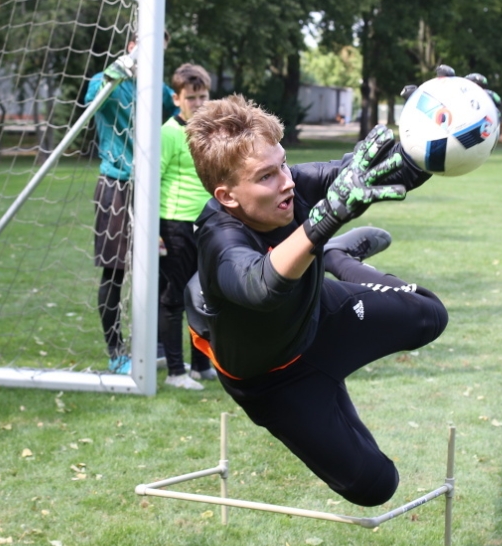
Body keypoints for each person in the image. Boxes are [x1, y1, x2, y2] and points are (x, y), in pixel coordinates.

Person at [183, 95, 447, 507]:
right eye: (266, 176)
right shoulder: (219, 240)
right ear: (228, 195)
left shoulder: (290, 186)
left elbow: (392, 170)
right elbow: (262, 284)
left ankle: (339, 259)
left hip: (318, 312)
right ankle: (334, 254)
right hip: (272, 380)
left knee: (431, 315)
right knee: (375, 485)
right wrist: (323, 221)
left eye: (284, 163)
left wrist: (437, 123)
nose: (286, 181)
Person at [84, 38, 176, 375]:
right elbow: (91, 102)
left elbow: (179, 118)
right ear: (133, 43)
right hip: (116, 187)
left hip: (154, 188)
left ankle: (153, 344)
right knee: (115, 272)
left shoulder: (161, 91)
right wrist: (116, 73)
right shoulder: (105, 80)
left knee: (160, 269)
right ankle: (115, 352)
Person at [158, 63, 215, 391]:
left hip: (207, 224)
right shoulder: (168, 133)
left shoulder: (209, 132)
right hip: (175, 224)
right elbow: (152, 180)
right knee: (174, 299)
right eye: (191, 97)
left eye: (203, 96)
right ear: (177, 98)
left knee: (204, 296)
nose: (198, 103)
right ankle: (176, 371)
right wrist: (155, 232)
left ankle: (201, 366)